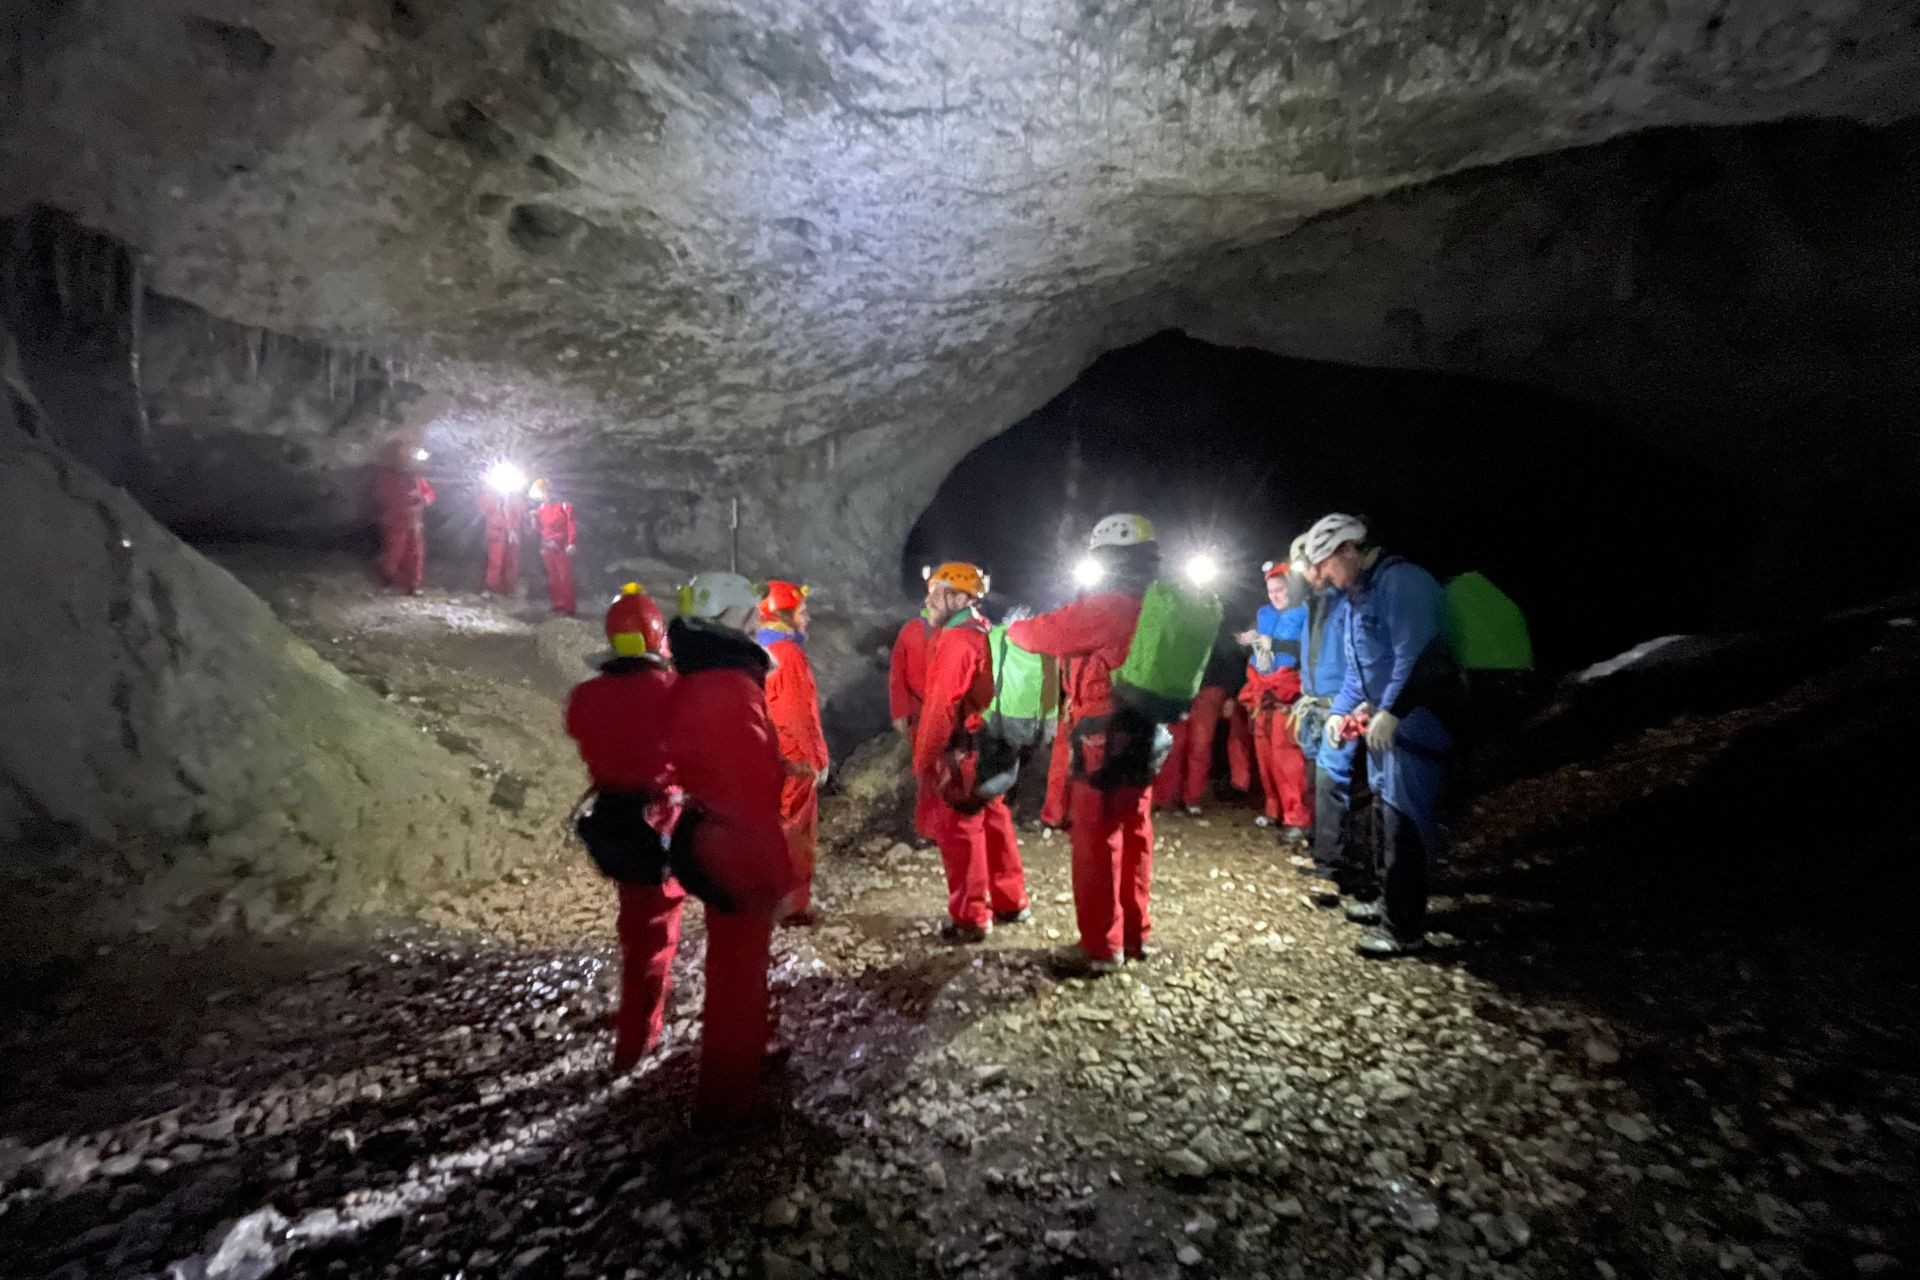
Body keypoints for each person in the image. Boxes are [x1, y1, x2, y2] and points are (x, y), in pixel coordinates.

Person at [665, 571, 799, 1128]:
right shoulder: (729, 688)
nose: (756, 621)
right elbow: (750, 799)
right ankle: (726, 1099)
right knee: (739, 971)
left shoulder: (693, 679)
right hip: (737, 844)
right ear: (726, 620)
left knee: (731, 962)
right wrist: (783, 875)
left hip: (708, 832)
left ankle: (740, 1061)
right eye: (749, 614)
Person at [1007, 513, 1161, 976]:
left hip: (1103, 734)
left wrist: (1014, 626)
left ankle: (1100, 945)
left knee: (1096, 839)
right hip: (1147, 730)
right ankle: (1134, 934)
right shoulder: (1152, 602)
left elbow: (1042, 635)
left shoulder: (1107, 606)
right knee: (1135, 830)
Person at [1308, 513, 1460, 958]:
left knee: (1405, 819)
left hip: (1416, 720)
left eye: (1327, 565)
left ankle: (1405, 929)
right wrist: (1340, 713)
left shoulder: (1402, 583)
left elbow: (1417, 653)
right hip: (1384, 725)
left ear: (1349, 550)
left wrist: (1393, 709)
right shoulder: (1359, 595)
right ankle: (1386, 900)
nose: (1323, 577)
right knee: (1383, 812)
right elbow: (1360, 671)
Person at [564, 583, 682, 1072]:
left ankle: (648, 1001)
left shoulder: (587, 696)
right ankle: (638, 1038)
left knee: (637, 921)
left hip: (614, 820)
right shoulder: (673, 692)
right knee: (655, 933)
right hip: (660, 824)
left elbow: (581, 728)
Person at [913, 562, 1030, 942]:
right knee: (994, 816)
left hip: (968, 751)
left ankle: (971, 916)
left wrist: (925, 759)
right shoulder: (986, 631)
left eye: (938, 591)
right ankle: (1011, 900)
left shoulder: (957, 640)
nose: (929, 598)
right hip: (997, 746)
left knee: (960, 828)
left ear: (960, 598)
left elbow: (940, 708)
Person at [1288, 533, 1369, 902]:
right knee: (1317, 782)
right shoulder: (1314, 605)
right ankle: (1324, 854)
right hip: (1315, 705)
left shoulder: (1347, 600)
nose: (1309, 574)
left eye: (1311, 566)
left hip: (1342, 705)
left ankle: (1334, 869)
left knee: (1335, 783)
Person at [758, 579, 828, 926]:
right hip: (792, 757)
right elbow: (796, 714)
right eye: (802, 611)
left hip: (767, 756)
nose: (807, 618)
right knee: (795, 829)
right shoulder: (787, 654)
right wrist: (811, 760)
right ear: (783, 615)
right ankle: (793, 905)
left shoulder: (758, 647)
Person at [1237, 562, 1311, 842]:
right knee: (1265, 756)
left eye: (1280, 590)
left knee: (1287, 757)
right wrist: (1246, 640)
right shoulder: (1264, 614)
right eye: (1271, 591)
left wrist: (1274, 645)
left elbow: (1305, 649)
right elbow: (1251, 647)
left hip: (1287, 693)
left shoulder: (1304, 613)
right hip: (1260, 692)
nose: (1276, 596)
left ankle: (1298, 818)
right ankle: (1274, 810)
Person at [1152, 631, 1246, 815]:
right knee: (1173, 745)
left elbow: (1233, 659)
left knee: (1200, 747)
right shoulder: (1177, 618)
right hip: (1176, 690)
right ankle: (1166, 798)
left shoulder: (1219, 624)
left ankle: (1191, 798)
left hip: (1209, 691)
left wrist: (1231, 694)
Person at [890, 577, 942, 841]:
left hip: (949, 714)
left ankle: (950, 825)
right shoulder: (911, 631)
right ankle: (927, 829)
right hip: (921, 714)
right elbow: (897, 675)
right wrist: (900, 711)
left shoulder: (956, 632)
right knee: (927, 773)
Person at [371, 442, 434, 594]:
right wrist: (406, 500)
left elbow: (429, 493)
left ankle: (413, 585)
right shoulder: (387, 476)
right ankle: (388, 580)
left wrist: (423, 499)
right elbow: (382, 496)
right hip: (396, 520)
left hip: (414, 522)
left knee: (416, 552)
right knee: (395, 551)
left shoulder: (416, 478)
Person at [529, 478, 579, 616]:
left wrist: (571, 542)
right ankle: (558, 604)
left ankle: (568, 607)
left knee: (564, 576)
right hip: (547, 546)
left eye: (544, 492)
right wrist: (534, 519)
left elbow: (571, 525)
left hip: (561, 546)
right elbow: (540, 529)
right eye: (542, 493)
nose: (543, 496)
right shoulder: (541, 509)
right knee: (552, 577)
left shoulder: (564, 506)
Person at [478, 484, 526, 597]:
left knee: (511, 562)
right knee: (495, 561)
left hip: (512, 533)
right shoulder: (491, 496)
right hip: (497, 532)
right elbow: (483, 509)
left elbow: (521, 512)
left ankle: (509, 589)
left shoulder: (515, 497)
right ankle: (492, 589)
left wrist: (512, 528)